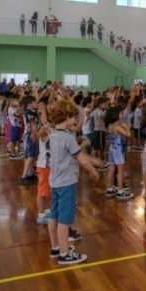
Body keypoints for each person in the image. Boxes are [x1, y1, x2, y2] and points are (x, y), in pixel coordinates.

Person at [47, 99, 100, 265]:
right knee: (65, 220)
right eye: (74, 116)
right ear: (67, 117)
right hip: (66, 183)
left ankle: (56, 247)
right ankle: (64, 254)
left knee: (54, 215)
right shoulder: (68, 138)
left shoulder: (53, 135)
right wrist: (92, 169)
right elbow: (81, 159)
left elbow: (72, 155)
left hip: (55, 182)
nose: (75, 119)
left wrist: (91, 160)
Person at [104, 107, 134, 200]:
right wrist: (126, 127)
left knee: (112, 169)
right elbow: (128, 134)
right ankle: (120, 191)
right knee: (120, 171)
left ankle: (109, 189)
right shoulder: (117, 127)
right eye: (120, 113)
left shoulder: (110, 125)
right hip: (118, 150)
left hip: (112, 148)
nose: (122, 115)